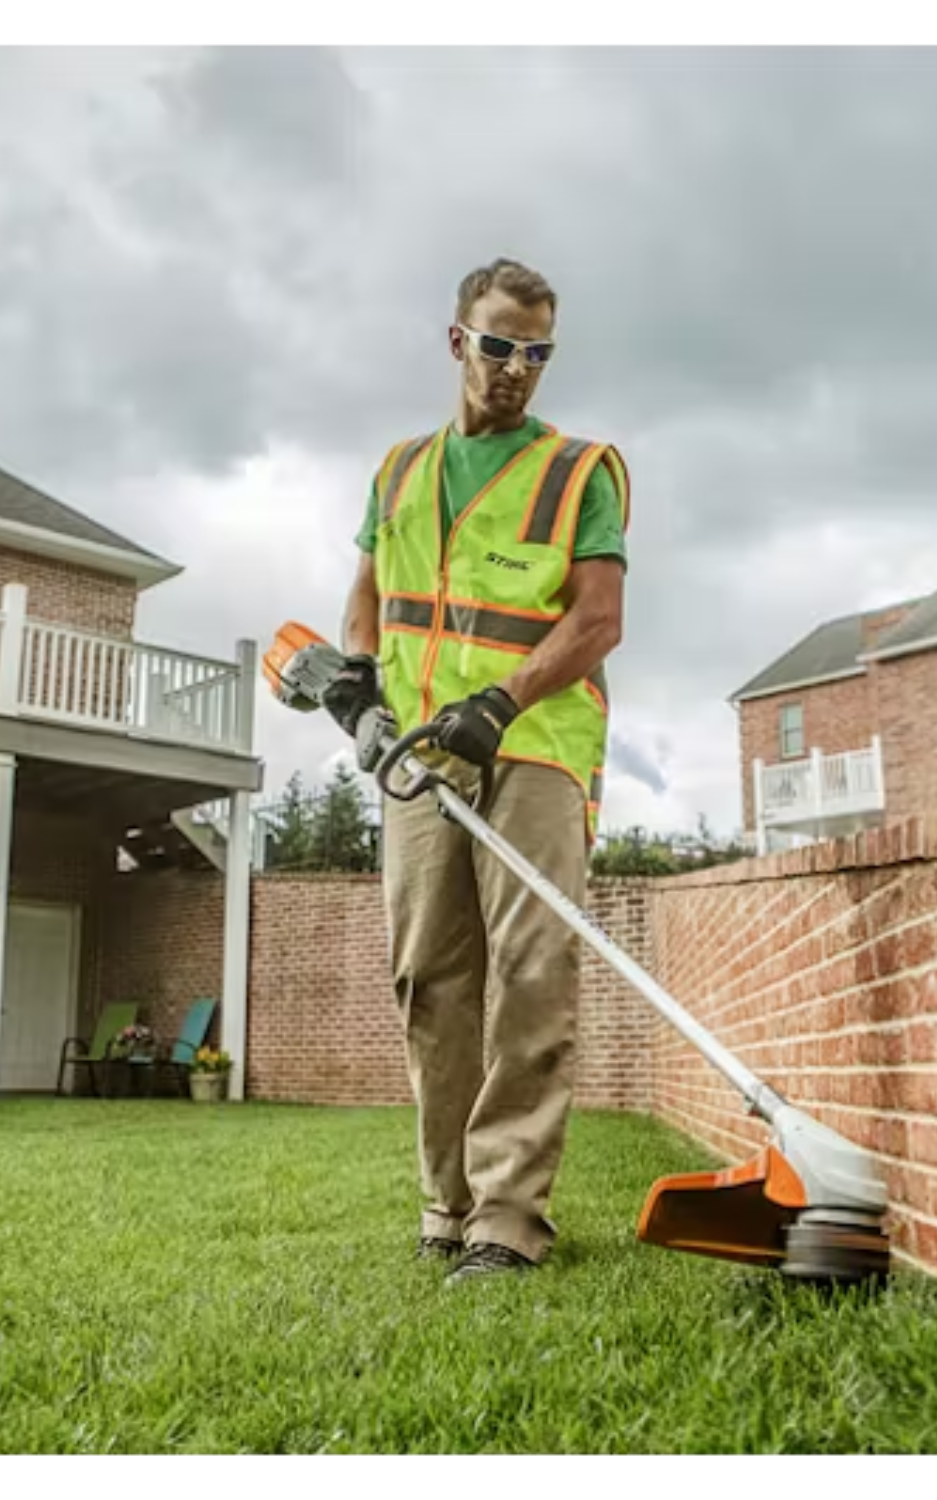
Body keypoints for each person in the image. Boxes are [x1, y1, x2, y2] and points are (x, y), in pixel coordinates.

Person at [325, 257, 629, 1283]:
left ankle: (509, 1218)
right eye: (498, 345)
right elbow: (365, 601)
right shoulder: (401, 470)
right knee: (428, 979)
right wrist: (359, 694)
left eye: (536, 352)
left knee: (533, 973)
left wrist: (501, 704)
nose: (515, 368)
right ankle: (446, 1203)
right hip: (416, 757)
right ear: (458, 341)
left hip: (533, 746)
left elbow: (598, 619)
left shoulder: (581, 470)